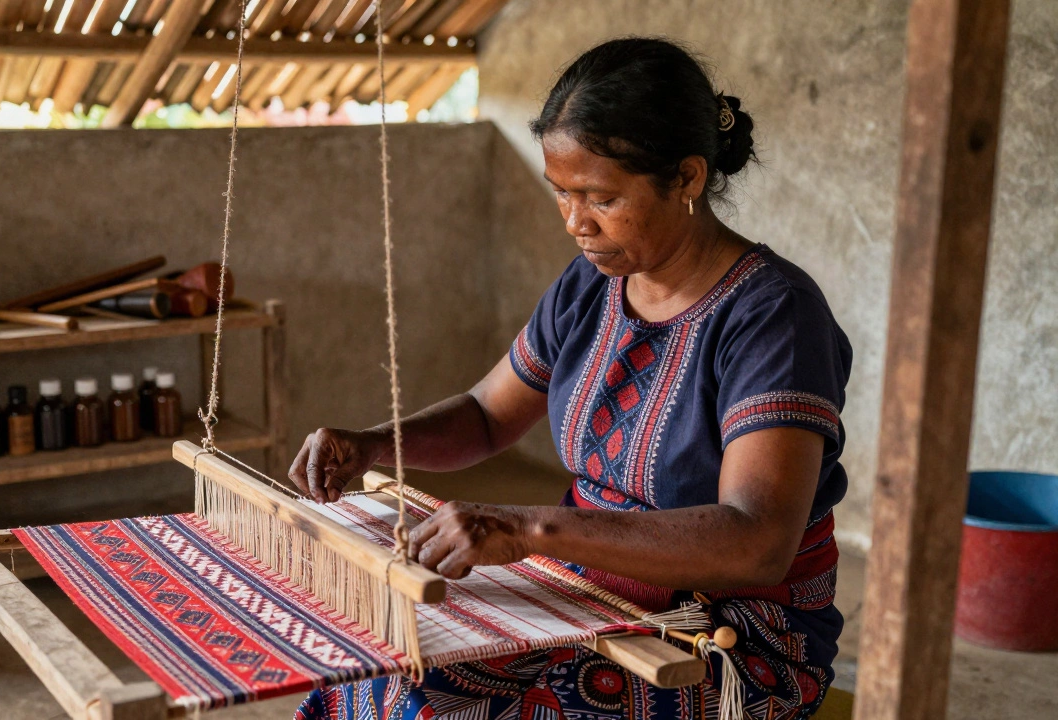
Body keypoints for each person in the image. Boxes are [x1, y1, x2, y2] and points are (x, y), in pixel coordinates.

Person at [291, 36, 850, 720]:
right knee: (380, 688)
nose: (575, 223)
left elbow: (756, 542)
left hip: (732, 631)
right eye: (562, 194)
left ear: (689, 178)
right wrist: (377, 442)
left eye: (600, 198)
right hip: (584, 590)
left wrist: (529, 529)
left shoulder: (773, 316)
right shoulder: (590, 284)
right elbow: (487, 415)